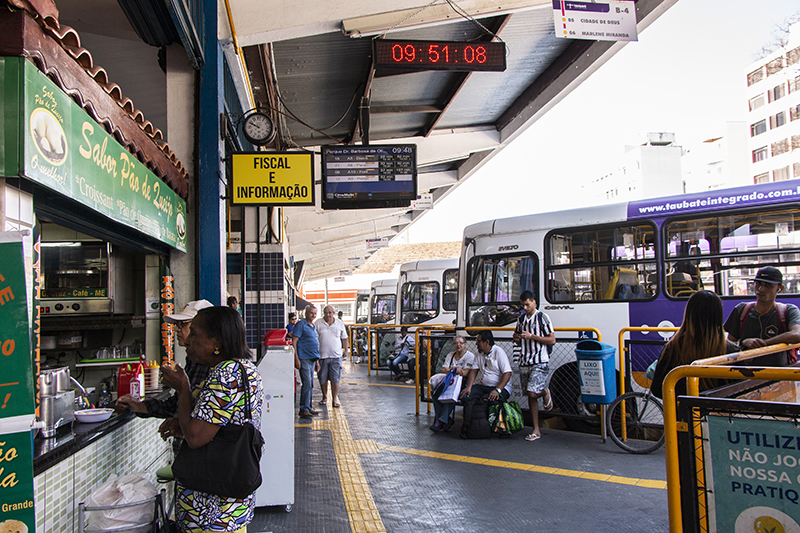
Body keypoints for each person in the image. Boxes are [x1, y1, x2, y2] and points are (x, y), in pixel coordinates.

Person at [160, 306, 263, 533]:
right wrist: (181, 426)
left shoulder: (225, 374)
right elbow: (222, 424)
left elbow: (196, 438)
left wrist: (183, 388)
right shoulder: (246, 369)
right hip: (231, 510)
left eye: (194, 334)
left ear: (216, 342)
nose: (188, 341)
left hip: (210, 514)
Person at [117, 299, 213, 443]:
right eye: (175, 325)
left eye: (183, 324)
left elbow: (200, 419)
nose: (176, 330)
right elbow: (178, 404)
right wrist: (140, 406)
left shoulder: (217, 368)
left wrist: (182, 389)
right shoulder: (193, 360)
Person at [652, 290, 738, 399]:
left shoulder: (674, 347)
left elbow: (657, 388)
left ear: (689, 314)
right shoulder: (731, 352)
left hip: (683, 412)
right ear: (718, 316)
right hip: (719, 413)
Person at [724, 266, 800, 367]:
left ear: (780, 289)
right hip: (744, 377)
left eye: (768, 285)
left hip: (779, 377)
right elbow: (730, 344)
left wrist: (764, 343)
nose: (761, 289)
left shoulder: (788, 311)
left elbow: (797, 334)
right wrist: (744, 343)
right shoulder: (741, 310)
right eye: (758, 284)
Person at [512, 290, 555, 442]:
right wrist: (517, 338)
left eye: (527, 305)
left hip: (539, 360)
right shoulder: (521, 319)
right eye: (523, 305)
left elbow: (552, 340)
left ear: (534, 302)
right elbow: (516, 337)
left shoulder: (543, 318)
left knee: (532, 392)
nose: (525, 308)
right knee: (530, 396)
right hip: (525, 361)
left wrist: (532, 337)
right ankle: (536, 429)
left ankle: (544, 392)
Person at [429, 334, 476, 432]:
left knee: (451, 394)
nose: (458, 345)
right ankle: (444, 419)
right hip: (449, 381)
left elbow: (466, 372)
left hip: (462, 383)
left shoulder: (470, 356)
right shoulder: (451, 355)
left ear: (465, 344)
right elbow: (443, 370)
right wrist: (455, 369)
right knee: (435, 393)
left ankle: (441, 421)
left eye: (461, 343)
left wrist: (451, 370)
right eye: (456, 343)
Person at [461, 330, 513, 402]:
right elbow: (473, 371)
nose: (476, 343)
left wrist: (497, 390)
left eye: (479, 341)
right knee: (465, 397)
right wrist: (469, 387)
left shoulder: (498, 352)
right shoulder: (478, 353)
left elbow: (507, 373)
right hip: (482, 386)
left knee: (493, 401)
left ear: (487, 342)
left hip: (499, 387)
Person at [316, 305, 348, 408]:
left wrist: (346, 349)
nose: (328, 315)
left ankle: (334, 398)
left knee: (335, 378)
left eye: (330, 312)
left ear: (333, 313)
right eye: (326, 313)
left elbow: (345, 337)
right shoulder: (318, 323)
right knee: (322, 377)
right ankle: (325, 397)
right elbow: (314, 338)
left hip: (336, 356)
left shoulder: (339, 323)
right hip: (322, 356)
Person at [293, 305, 321, 418]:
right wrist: (296, 358)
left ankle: (308, 406)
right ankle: (303, 409)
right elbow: (294, 342)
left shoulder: (313, 326)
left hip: (312, 359)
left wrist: (317, 361)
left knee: (311, 384)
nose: (313, 315)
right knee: (307, 384)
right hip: (303, 358)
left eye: (315, 313)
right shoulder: (301, 324)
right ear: (306, 313)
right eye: (311, 313)